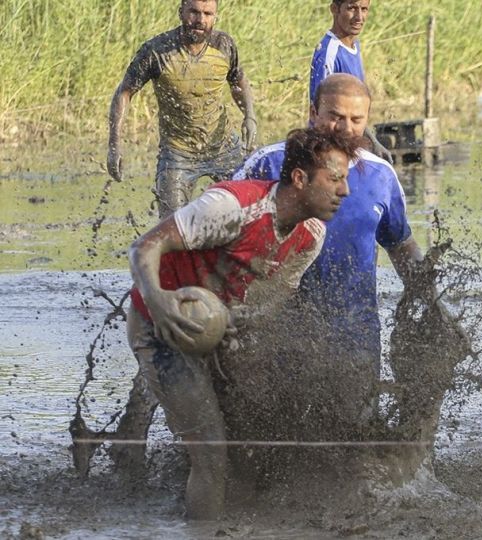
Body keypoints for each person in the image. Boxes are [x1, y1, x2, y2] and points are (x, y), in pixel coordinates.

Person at [127, 128, 357, 520]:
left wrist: (240, 336)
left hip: (216, 328)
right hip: (160, 326)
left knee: (253, 433)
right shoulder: (231, 207)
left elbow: (270, 300)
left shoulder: (311, 236)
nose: (345, 191)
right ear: (300, 179)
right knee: (212, 454)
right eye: (335, 179)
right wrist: (158, 302)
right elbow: (144, 247)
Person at [235, 74, 422, 428]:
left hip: (354, 331)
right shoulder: (268, 164)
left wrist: (430, 296)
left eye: (357, 120)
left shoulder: (380, 176)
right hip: (274, 328)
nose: (345, 129)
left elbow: (400, 245)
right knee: (270, 431)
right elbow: (224, 230)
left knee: (354, 434)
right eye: (335, 116)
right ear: (312, 112)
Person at [107, 0, 257, 218]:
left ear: (215, 17)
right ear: (181, 13)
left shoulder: (224, 45)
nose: (200, 20)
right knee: (171, 227)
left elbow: (238, 81)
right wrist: (114, 145)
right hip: (178, 153)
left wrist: (250, 116)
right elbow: (124, 92)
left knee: (251, 214)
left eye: (208, 14)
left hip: (224, 148)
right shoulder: (157, 51)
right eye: (194, 12)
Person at [310, 0, 392, 163]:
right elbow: (322, 114)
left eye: (364, 9)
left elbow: (352, 110)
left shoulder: (354, 46)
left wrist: (373, 142)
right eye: (352, 8)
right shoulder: (329, 53)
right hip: (330, 149)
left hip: (349, 145)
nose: (359, 17)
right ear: (334, 9)